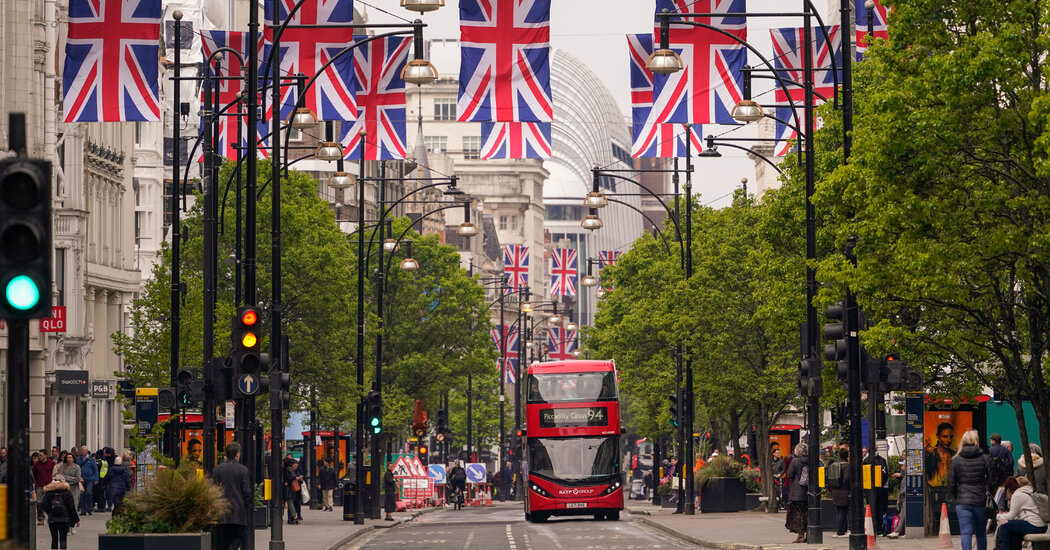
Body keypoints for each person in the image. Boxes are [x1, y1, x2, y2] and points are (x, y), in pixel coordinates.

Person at [948, 429, 993, 550]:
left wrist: (958, 496)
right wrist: (987, 492)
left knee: (965, 533)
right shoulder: (985, 458)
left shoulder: (956, 460)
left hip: (963, 501)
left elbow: (951, 483)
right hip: (980, 500)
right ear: (976, 441)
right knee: (981, 534)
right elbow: (992, 480)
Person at [212, 442, 252, 550]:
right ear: (237, 454)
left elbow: (213, 488)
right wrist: (248, 504)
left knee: (224, 538)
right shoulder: (243, 470)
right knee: (240, 536)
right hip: (238, 510)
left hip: (222, 509)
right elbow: (246, 491)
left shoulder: (217, 469)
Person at [995, 476, 1048, 550]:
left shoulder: (1017, 495)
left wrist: (996, 516)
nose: (1005, 496)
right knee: (1014, 529)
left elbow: (1010, 517)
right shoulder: (1026, 492)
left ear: (1008, 490)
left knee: (1003, 524)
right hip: (1041, 525)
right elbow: (1017, 516)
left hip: (1035, 525)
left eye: (1005, 493)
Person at [41, 473, 79, 550]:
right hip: (64, 519)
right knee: (63, 539)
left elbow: (43, 505)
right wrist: (76, 520)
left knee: (54, 539)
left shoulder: (49, 492)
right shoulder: (67, 492)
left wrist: (50, 512)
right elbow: (72, 508)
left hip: (52, 519)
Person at [785, 443, 810, 543]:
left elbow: (790, 474)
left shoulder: (795, 461)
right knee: (808, 513)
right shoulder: (811, 460)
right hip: (809, 492)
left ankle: (800, 535)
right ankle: (809, 535)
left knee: (798, 514)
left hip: (797, 492)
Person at [863, 446, 890, 535]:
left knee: (870, 508)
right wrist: (881, 484)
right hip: (880, 489)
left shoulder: (866, 460)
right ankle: (879, 528)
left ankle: (872, 527)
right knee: (879, 508)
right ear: (877, 449)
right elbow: (886, 475)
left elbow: (864, 476)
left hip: (870, 489)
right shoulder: (882, 460)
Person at [53, 452, 82, 522]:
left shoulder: (77, 467)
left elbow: (77, 478)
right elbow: (58, 476)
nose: (69, 459)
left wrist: (67, 479)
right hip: (64, 488)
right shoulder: (62, 466)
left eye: (70, 457)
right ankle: (66, 523)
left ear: (73, 459)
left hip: (74, 489)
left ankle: (73, 523)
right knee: (65, 506)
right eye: (67, 457)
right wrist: (70, 478)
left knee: (73, 506)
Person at [830, 447, 853, 538]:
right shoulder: (847, 466)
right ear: (847, 456)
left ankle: (842, 529)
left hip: (836, 491)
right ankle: (841, 531)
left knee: (840, 511)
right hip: (844, 491)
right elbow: (847, 479)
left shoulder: (835, 464)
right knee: (843, 512)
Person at [927, 421, 957, 486]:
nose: (948, 440)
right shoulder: (931, 454)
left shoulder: (954, 455)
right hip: (933, 492)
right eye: (945, 437)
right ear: (938, 436)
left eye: (951, 437)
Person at [33, 450, 56, 525]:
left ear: (46, 455)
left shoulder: (52, 463)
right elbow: (35, 474)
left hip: (49, 486)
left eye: (41, 455)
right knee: (39, 502)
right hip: (39, 485)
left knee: (49, 503)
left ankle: (51, 517)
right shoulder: (36, 464)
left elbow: (54, 473)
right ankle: (41, 519)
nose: (39, 457)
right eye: (39, 455)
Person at [76, 446, 98, 516]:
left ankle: (89, 508)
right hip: (81, 480)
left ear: (87, 451)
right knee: (82, 494)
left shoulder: (91, 460)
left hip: (90, 479)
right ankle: (83, 510)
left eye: (84, 451)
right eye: (81, 451)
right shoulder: (78, 460)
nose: (82, 452)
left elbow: (95, 470)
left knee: (88, 493)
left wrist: (96, 479)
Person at [283, 458, 303, 524]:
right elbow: (293, 476)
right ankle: (294, 517)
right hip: (290, 489)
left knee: (289, 503)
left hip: (288, 489)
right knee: (290, 503)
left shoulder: (287, 469)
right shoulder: (289, 469)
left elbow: (293, 476)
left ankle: (293, 517)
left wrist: (287, 481)